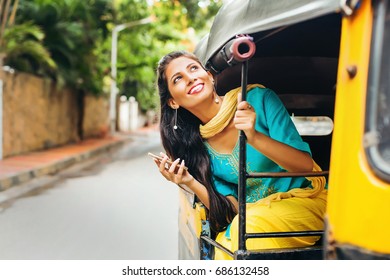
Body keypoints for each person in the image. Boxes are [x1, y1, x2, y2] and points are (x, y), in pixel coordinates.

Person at [154, 50, 327, 260]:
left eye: (193, 68)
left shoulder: (258, 99)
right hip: (251, 220)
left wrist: (255, 137)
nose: (190, 78)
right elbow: (231, 211)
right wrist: (188, 181)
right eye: (178, 78)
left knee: (243, 231)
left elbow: (304, 165)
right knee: (229, 240)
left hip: (307, 199)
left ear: (209, 76)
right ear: (173, 102)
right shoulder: (198, 149)